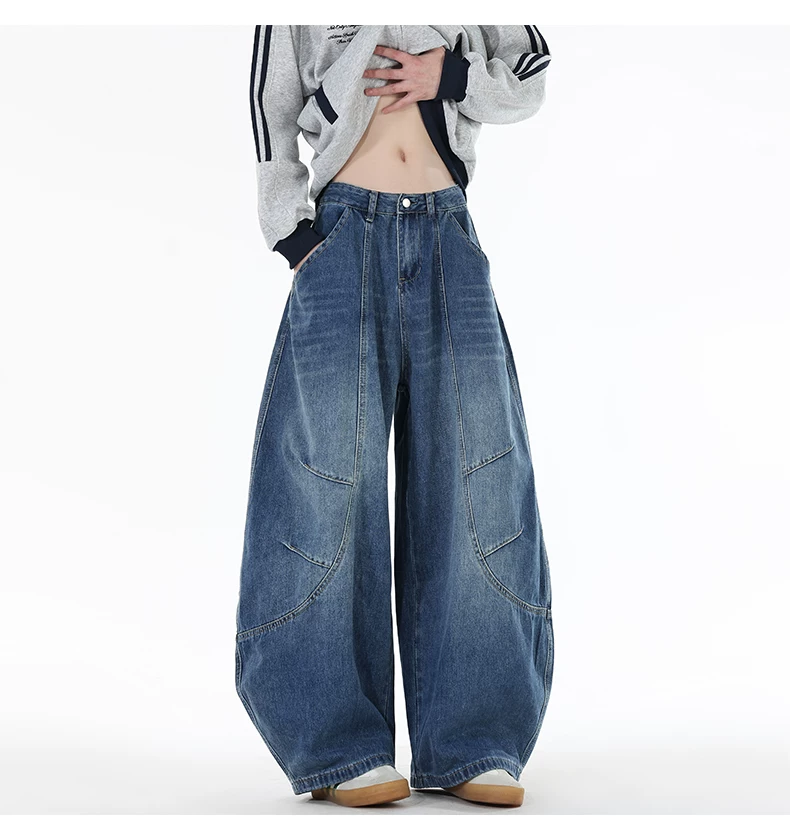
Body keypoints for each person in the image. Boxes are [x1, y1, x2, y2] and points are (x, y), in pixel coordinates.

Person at [236, 25, 554, 809]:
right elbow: (270, 103)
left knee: (478, 476)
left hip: (448, 228)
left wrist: (453, 78)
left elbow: (528, 74)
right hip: (341, 233)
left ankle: (475, 739)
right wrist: (292, 233)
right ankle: (335, 743)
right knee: (325, 484)